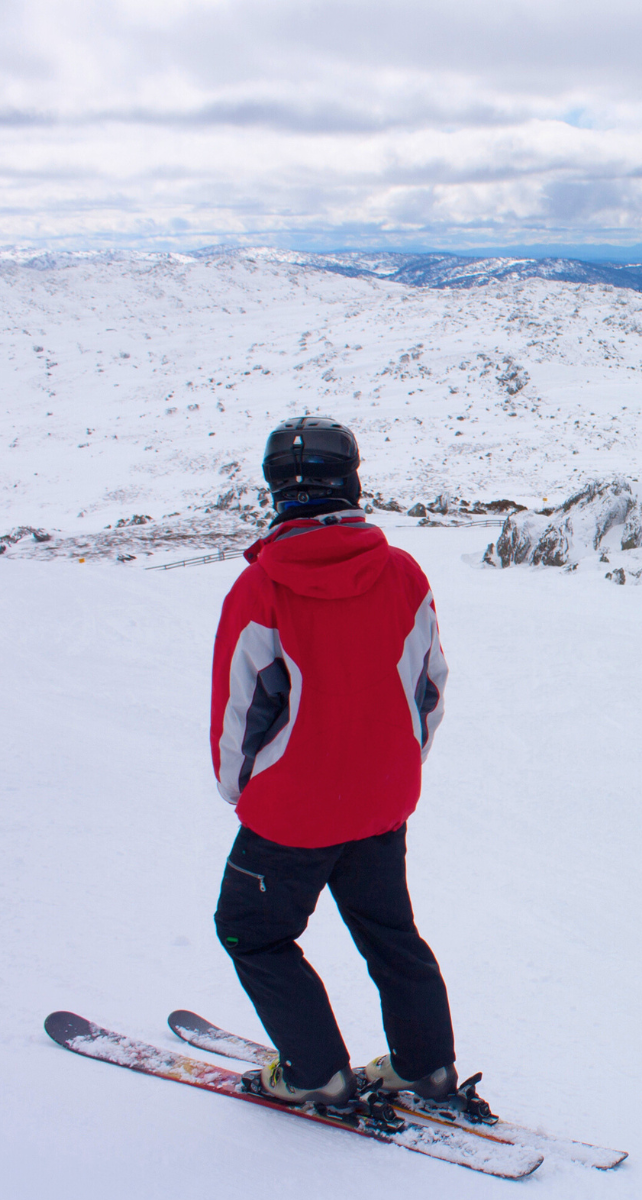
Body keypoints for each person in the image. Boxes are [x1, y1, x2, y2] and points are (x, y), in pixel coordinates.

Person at [210, 415, 457, 1107]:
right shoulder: (402, 572)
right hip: (382, 797)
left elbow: (240, 711)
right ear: (350, 481)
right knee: (390, 933)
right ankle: (426, 1067)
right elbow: (429, 684)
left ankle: (315, 1073)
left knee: (251, 933)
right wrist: (397, 764)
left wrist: (243, 792)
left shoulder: (261, 587)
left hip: (291, 811)